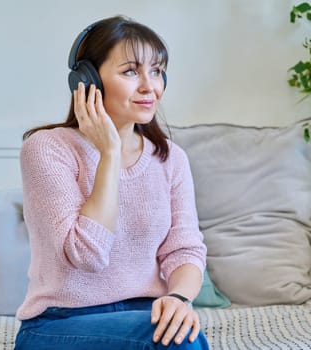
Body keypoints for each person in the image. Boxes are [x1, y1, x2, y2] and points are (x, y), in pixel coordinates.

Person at [14, 15, 209, 350]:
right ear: (86, 81)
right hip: (60, 324)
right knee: (177, 342)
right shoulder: (47, 148)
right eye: (131, 71)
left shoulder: (171, 159)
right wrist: (109, 154)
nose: (150, 86)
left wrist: (177, 299)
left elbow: (185, 249)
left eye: (158, 71)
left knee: (180, 333)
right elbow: (87, 255)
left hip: (143, 317)